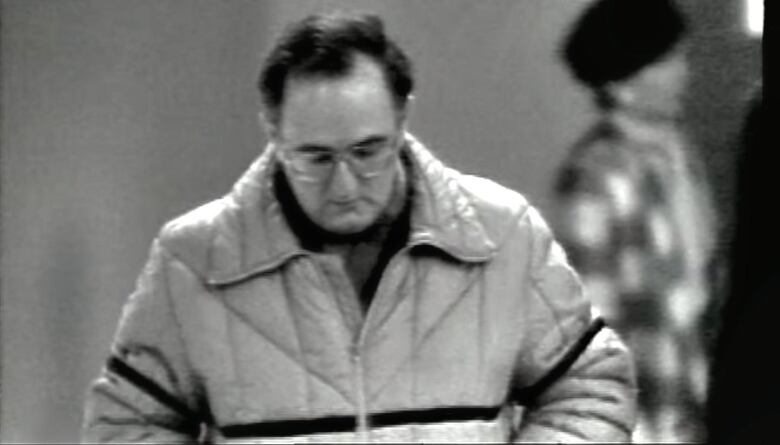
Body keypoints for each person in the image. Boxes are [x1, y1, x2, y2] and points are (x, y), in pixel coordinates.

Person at [82, 11, 636, 443]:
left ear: (403, 118)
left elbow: (588, 385)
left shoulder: (502, 234)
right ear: (272, 131)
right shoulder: (195, 260)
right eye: (315, 158)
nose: (345, 185)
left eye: (368, 151)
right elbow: (128, 426)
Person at [552, 0, 716, 442]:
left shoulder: (678, 152)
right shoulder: (596, 174)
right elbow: (591, 315)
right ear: (628, 76)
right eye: (670, 59)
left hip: (690, 395)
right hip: (644, 413)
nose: (686, 72)